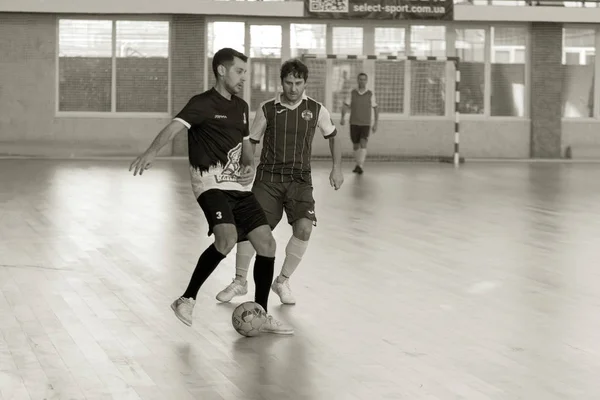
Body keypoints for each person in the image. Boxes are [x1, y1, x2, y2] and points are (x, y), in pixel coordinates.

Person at [129, 47, 293, 335]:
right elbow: (173, 128)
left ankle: (263, 314)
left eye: (245, 72)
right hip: (209, 183)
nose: (244, 77)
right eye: (239, 71)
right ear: (221, 70)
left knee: (267, 244)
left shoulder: (241, 107)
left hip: (238, 186)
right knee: (227, 238)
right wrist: (151, 152)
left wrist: (249, 165)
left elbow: (245, 146)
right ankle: (186, 298)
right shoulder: (202, 103)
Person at [215, 58, 344, 305]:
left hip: (300, 180)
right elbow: (251, 141)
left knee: (304, 228)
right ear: (281, 82)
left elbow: (334, 137)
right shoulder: (267, 109)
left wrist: (337, 168)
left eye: (298, 83)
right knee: (252, 229)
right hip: (269, 179)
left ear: (305, 83)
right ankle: (240, 281)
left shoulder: (317, 110)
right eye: (288, 82)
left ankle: (282, 281)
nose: (293, 88)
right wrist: (247, 165)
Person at [340, 72, 379, 174]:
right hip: (354, 122)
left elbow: (375, 109)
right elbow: (345, 106)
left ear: (366, 81)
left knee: (363, 143)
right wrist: (342, 117)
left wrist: (376, 123)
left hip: (365, 123)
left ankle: (360, 165)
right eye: (360, 79)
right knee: (355, 145)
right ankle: (358, 164)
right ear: (357, 80)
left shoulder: (370, 94)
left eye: (364, 79)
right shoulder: (352, 93)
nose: (362, 81)